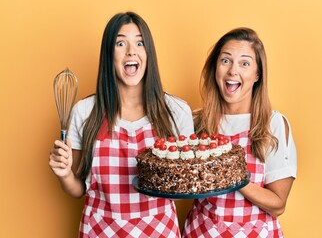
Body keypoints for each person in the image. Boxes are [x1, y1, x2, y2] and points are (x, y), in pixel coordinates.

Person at [49, 12, 194, 238]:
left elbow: (181, 190)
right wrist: (64, 173)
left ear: (149, 53)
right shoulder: (86, 112)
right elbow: (77, 189)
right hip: (99, 231)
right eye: (120, 43)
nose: (131, 51)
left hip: (158, 231)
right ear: (109, 54)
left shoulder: (176, 111)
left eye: (139, 42)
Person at [183, 28, 297, 237]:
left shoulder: (273, 125)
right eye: (226, 61)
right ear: (214, 68)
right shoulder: (195, 122)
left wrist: (233, 177)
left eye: (244, 63)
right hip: (201, 231)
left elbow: (278, 204)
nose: (233, 71)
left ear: (257, 74)